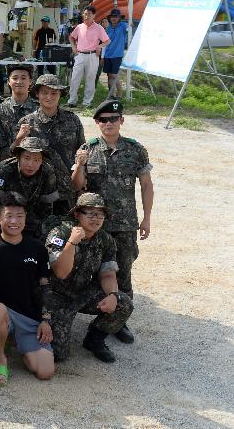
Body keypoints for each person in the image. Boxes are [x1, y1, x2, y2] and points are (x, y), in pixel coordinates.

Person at [72, 99, 153, 344]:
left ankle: (119, 320)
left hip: (125, 224)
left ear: (121, 121)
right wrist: (79, 164)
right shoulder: (88, 149)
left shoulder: (135, 149)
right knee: (94, 271)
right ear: (97, 123)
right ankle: (94, 314)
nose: (109, 124)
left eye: (113, 119)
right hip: (96, 227)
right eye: (103, 120)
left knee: (124, 272)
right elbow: (77, 186)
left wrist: (146, 219)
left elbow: (147, 186)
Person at [0, 195, 54, 386]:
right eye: (9, 216)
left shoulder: (37, 248)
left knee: (45, 371)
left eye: (20, 216)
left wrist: (45, 320)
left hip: (29, 315)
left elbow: (46, 286)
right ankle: (1, 360)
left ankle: (17, 343)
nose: (14, 221)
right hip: (0, 312)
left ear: (26, 218)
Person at [44, 193, 133, 363]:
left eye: (100, 214)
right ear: (77, 214)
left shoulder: (105, 239)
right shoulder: (60, 233)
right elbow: (60, 272)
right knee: (58, 356)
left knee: (123, 302)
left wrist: (113, 295)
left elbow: (107, 273)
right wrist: (72, 242)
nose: (96, 219)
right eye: (90, 213)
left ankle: (95, 339)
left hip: (82, 291)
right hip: (55, 296)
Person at [15, 74, 85, 215]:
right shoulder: (27, 122)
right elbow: (15, 155)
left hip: (67, 190)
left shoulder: (73, 120)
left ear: (60, 95)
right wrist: (19, 139)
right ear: (37, 94)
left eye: (54, 93)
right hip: (37, 191)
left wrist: (82, 180)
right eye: (45, 93)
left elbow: (82, 152)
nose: (49, 97)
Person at [0, 137, 59, 238]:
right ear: (18, 157)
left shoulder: (47, 172)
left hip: (34, 219)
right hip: (8, 217)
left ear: (42, 160)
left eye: (36, 160)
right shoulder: (4, 170)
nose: (30, 165)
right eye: (27, 158)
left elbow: (47, 206)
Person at [68, 5, 110, 108]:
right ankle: (72, 100)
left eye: (89, 14)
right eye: (85, 14)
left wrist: (99, 46)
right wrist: (73, 47)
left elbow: (107, 40)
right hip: (80, 55)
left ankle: (87, 101)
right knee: (75, 78)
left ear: (94, 15)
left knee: (90, 79)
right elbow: (71, 37)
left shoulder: (99, 28)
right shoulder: (79, 27)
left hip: (92, 56)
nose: (86, 16)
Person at [0, 63, 37, 129]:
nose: (19, 81)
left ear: (30, 81)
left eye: (23, 78)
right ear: (8, 81)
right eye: (15, 78)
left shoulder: (39, 108)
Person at [102, 10, 128, 98]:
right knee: (109, 75)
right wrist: (102, 57)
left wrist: (130, 26)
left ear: (119, 18)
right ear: (109, 18)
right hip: (107, 55)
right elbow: (104, 43)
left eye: (116, 16)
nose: (114, 18)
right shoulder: (107, 28)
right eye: (112, 16)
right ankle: (111, 94)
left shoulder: (123, 26)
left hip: (117, 55)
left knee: (114, 75)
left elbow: (129, 29)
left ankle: (119, 92)